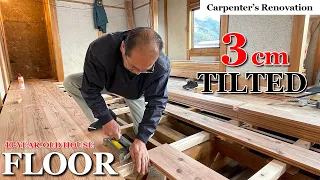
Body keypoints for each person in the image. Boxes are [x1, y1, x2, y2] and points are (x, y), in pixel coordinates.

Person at [63, 27, 170, 175]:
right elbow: (90, 89)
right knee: (70, 82)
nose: (138, 73)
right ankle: (102, 118)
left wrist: (141, 139)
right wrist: (105, 118)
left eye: (144, 70)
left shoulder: (161, 66)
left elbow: (157, 101)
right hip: (108, 84)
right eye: (133, 67)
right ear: (123, 48)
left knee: (145, 133)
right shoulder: (99, 49)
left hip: (135, 93)